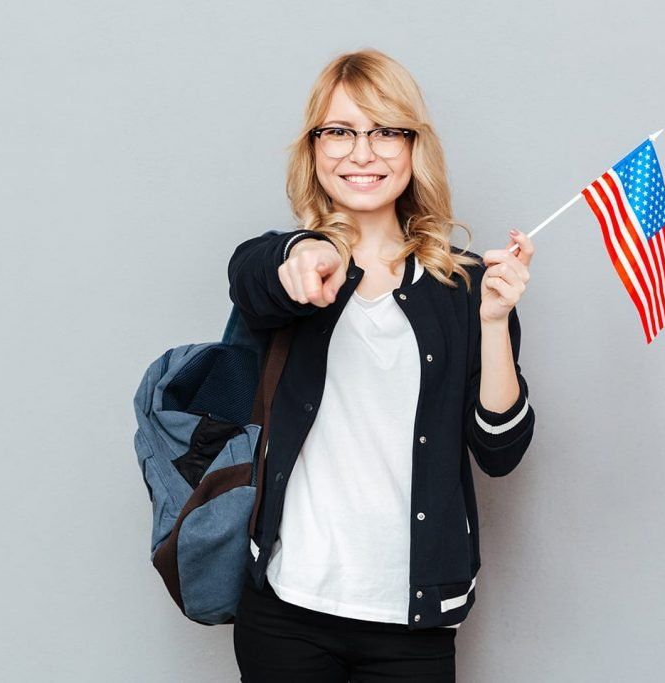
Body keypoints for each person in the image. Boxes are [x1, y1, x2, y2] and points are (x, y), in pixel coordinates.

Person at [229, 48, 536, 683]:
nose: (361, 152)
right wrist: (306, 253)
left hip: (412, 619)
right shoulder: (291, 264)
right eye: (339, 131)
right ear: (313, 149)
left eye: (384, 131)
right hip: (287, 604)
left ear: (413, 146)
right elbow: (254, 277)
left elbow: (500, 452)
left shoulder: (465, 285)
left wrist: (493, 321)